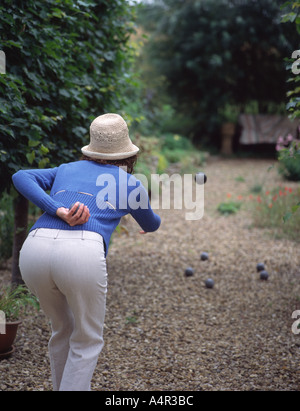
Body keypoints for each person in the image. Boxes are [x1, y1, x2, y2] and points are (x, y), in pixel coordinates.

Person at [13, 113, 161, 391]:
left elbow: (20, 176)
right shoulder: (131, 184)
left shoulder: (66, 168)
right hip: (80, 254)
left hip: (34, 250)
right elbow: (152, 224)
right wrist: (145, 220)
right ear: (127, 153)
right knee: (87, 339)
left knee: (62, 330)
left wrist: (56, 208)